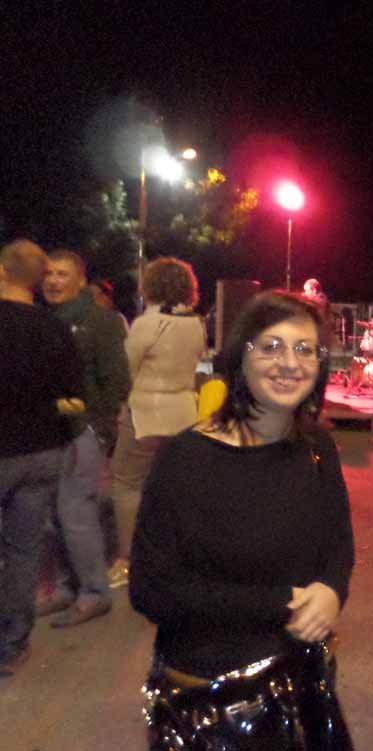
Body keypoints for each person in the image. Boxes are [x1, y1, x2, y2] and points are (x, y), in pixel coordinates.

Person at [129, 290, 355, 750]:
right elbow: (152, 590)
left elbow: (338, 545)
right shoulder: (186, 458)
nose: (289, 363)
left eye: (304, 349)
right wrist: (281, 603)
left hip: (302, 680)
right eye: (271, 346)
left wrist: (332, 590)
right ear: (240, 357)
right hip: (210, 697)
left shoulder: (316, 448)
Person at [0, 240, 84, 675]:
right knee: (23, 550)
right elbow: (73, 394)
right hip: (42, 451)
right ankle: (11, 644)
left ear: (2, 272)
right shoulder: (54, 329)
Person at [38, 248, 129, 627]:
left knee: (76, 514)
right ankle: (65, 587)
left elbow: (117, 381)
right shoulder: (40, 319)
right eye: (48, 274)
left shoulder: (100, 321)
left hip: (82, 432)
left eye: (61, 274)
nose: (53, 281)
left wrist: (98, 428)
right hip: (45, 434)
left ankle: (93, 593)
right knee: (51, 518)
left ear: (79, 280)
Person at [106, 258, 206, 589]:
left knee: (126, 484)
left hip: (146, 414)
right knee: (173, 489)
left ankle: (127, 560)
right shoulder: (196, 324)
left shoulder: (147, 324)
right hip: (184, 414)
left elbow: (126, 371)